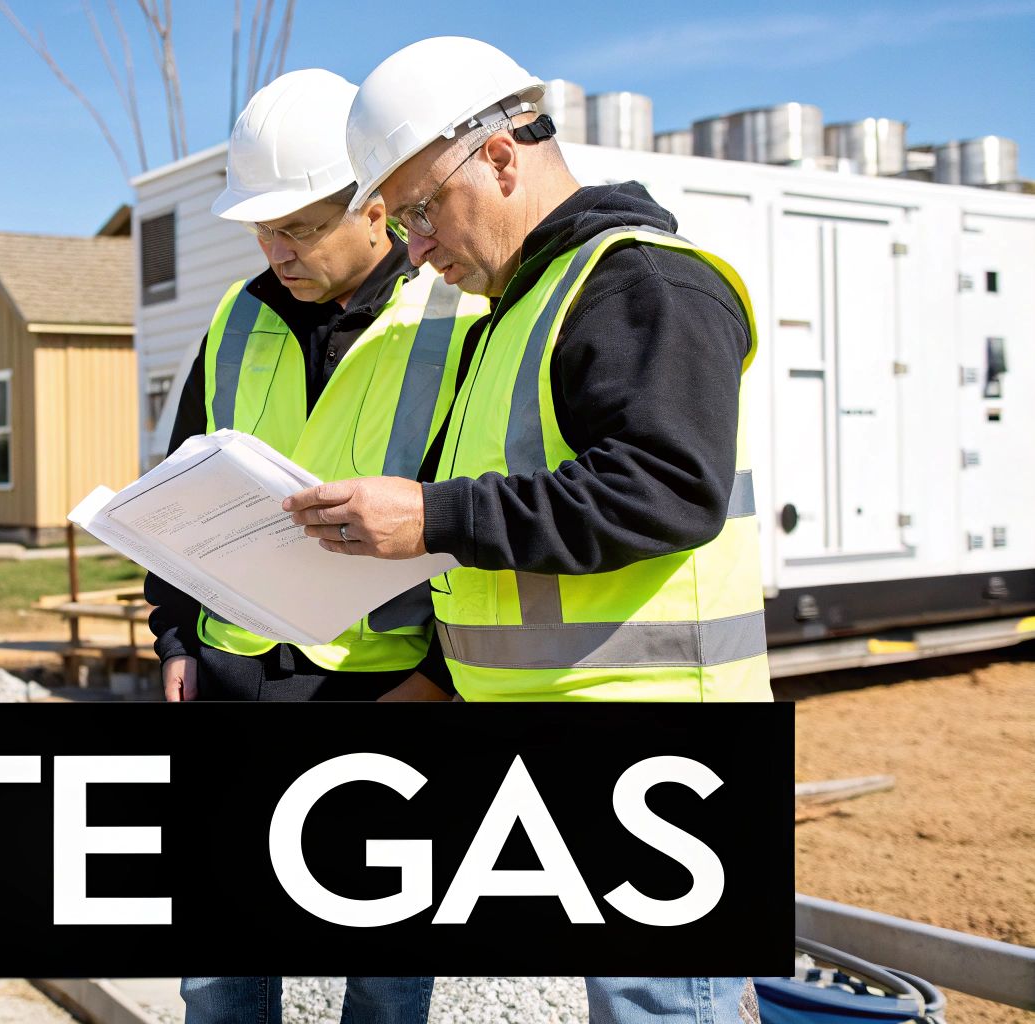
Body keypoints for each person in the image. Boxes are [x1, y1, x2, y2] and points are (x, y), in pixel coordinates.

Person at [283, 36, 770, 1022]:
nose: (412, 246)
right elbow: (522, 552)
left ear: (500, 158)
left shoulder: (639, 283)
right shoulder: (515, 310)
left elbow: (665, 488)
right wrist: (442, 681)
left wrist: (428, 515)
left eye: (419, 209)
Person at [146, 68, 481, 1024]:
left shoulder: (460, 319)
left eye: (297, 227)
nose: (273, 250)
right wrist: (174, 637)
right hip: (231, 680)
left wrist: (444, 683)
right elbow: (180, 491)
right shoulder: (237, 317)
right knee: (218, 978)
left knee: (381, 981)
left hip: (386, 689)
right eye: (261, 228)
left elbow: (486, 516)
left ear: (378, 206)